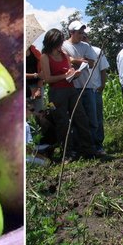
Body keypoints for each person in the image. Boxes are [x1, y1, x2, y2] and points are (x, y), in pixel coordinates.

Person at [38, 28, 97, 160]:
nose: (61, 44)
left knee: (81, 118)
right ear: (52, 42)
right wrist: (65, 76)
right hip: (57, 93)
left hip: (71, 89)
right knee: (62, 122)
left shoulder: (64, 54)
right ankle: (68, 153)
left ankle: (88, 149)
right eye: (59, 42)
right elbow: (47, 79)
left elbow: (69, 71)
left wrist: (74, 74)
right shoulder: (45, 57)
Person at [62, 20, 100, 152]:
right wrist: (81, 60)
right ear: (71, 33)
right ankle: (78, 148)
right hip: (72, 87)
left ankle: (93, 146)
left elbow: (91, 63)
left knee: (92, 119)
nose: (81, 35)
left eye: (82, 32)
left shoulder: (86, 46)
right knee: (76, 120)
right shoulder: (64, 46)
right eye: (79, 32)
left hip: (87, 86)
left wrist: (76, 61)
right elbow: (68, 61)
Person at [82, 33, 110, 154]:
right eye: (81, 37)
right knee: (84, 119)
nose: (83, 40)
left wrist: (102, 85)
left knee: (97, 118)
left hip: (95, 89)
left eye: (85, 37)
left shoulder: (97, 51)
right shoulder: (77, 53)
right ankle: (87, 145)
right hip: (81, 89)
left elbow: (103, 69)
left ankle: (98, 144)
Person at [25, 44, 44, 113]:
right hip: (25, 88)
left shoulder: (35, 52)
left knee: (39, 112)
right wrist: (35, 75)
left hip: (37, 85)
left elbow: (42, 72)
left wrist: (38, 89)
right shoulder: (16, 53)